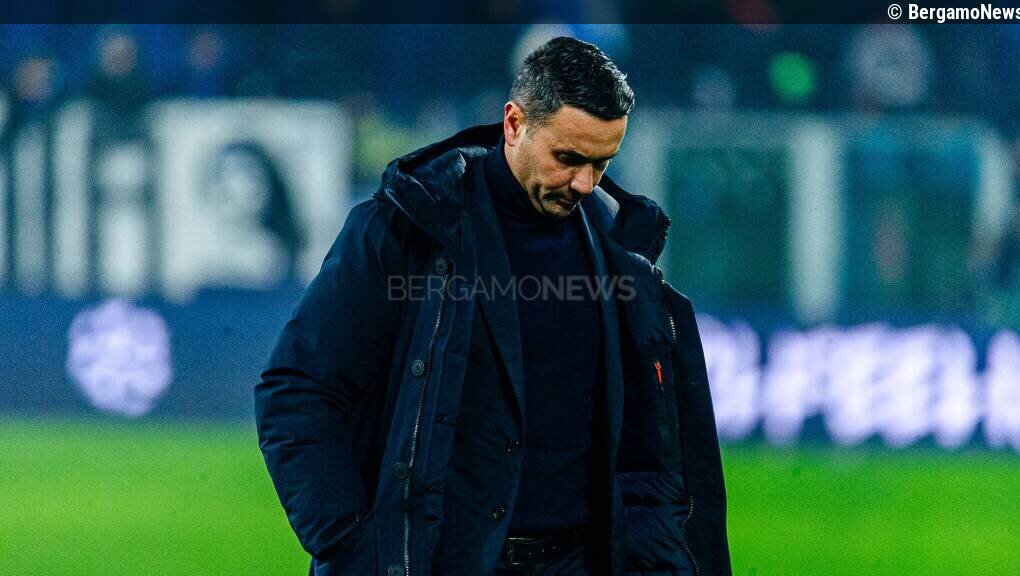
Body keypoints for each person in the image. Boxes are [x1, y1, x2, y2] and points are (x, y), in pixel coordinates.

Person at [255, 36, 731, 576]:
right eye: (568, 158)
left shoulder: (620, 254)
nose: (584, 183)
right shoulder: (405, 229)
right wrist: (352, 545)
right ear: (514, 123)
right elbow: (296, 390)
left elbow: (647, 450)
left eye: (602, 163)